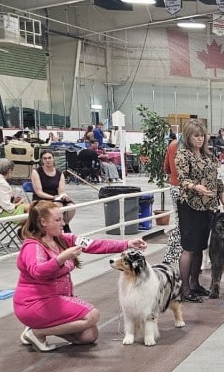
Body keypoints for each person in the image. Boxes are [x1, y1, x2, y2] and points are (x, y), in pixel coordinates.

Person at [15, 201, 146, 351]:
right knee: (92, 315)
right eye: (58, 220)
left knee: (89, 336)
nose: (63, 223)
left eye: (62, 218)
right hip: (34, 302)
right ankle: (37, 332)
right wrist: (61, 258)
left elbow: (94, 244)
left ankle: (39, 329)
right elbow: (38, 271)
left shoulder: (64, 239)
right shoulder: (32, 246)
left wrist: (127, 244)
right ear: (43, 222)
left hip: (56, 299)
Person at [176, 119, 224, 302]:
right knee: (189, 248)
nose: (200, 139)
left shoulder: (209, 156)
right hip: (189, 206)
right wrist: (195, 187)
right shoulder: (183, 156)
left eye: (202, 136)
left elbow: (218, 181)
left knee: (200, 247)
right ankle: (184, 289)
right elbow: (181, 180)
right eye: (196, 136)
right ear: (188, 137)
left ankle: (195, 284)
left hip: (208, 207)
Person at [30, 150, 75, 227]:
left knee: (71, 206)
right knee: (57, 205)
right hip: (41, 198)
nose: (47, 160)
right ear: (42, 160)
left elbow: (61, 191)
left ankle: (63, 226)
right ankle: (53, 227)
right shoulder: (36, 172)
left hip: (56, 197)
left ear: (53, 159)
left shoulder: (60, 173)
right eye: (45, 158)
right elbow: (39, 192)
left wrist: (63, 196)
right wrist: (53, 197)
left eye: (49, 158)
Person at [162, 137, 183, 266]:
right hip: (186, 188)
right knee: (182, 225)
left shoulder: (172, 145)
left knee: (179, 223)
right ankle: (170, 257)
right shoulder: (188, 148)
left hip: (174, 186)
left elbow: (166, 168)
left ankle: (170, 257)